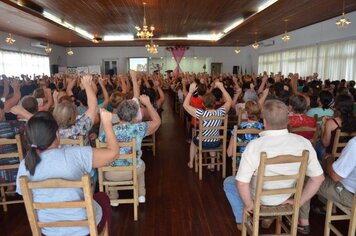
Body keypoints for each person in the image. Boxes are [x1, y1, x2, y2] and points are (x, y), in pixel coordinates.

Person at [223, 99, 324, 232]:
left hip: (259, 199)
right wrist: (298, 201)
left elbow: (241, 183)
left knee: (230, 182)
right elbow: (318, 178)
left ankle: (243, 220)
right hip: (285, 196)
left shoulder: (255, 145)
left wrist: (248, 205)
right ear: (287, 120)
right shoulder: (303, 143)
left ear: (264, 121)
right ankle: (268, 217)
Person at [16, 109, 119, 236]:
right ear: (57, 135)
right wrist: (107, 123)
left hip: (48, 231)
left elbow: (24, 194)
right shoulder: (76, 154)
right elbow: (113, 153)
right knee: (103, 197)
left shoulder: (25, 165)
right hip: (83, 230)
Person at [99, 94, 161, 205]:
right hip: (133, 171)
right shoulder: (139, 128)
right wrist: (148, 104)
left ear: (118, 113)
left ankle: (113, 197)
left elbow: (101, 144)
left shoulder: (108, 130)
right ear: (133, 117)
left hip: (110, 174)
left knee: (110, 162)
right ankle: (141, 195)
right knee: (141, 164)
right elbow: (157, 122)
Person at [298, 136, 356, 234]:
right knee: (318, 167)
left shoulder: (354, 144)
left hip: (349, 196)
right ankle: (328, 206)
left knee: (307, 174)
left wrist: (328, 158)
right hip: (350, 190)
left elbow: (335, 176)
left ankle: (303, 222)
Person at [183, 81, 232, 169]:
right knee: (212, 140)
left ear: (203, 104)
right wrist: (221, 87)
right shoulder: (220, 112)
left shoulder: (201, 114)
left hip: (203, 142)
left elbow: (185, 105)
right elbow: (229, 101)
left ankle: (191, 163)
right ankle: (212, 164)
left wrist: (190, 91)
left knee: (193, 142)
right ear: (215, 103)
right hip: (216, 142)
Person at [318, 94, 356, 160]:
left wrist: (323, 126)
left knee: (318, 146)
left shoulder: (331, 123)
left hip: (332, 157)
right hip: (350, 156)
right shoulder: (354, 120)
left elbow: (325, 144)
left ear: (337, 106)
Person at [226, 101, 264, 167]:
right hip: (259, 164)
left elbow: (229, 153)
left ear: (246, 113)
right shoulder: (264, 129)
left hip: (242, 164)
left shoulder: (238, 129)